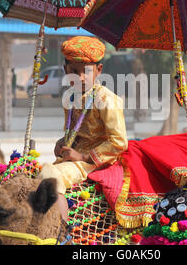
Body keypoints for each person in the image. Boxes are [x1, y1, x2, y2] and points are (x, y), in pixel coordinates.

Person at [39, 36, 128, 218]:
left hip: (95, 164)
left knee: (50, 175)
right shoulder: (70, 97)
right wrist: (62, 143)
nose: (80, 77)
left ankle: (61, 231)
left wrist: (83, 156)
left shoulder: (106, 99)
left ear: (98, 70)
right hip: (74, 159)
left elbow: (119, 142)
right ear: (65, 70)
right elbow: (73, 134)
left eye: (86, 72)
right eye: (74, 71)